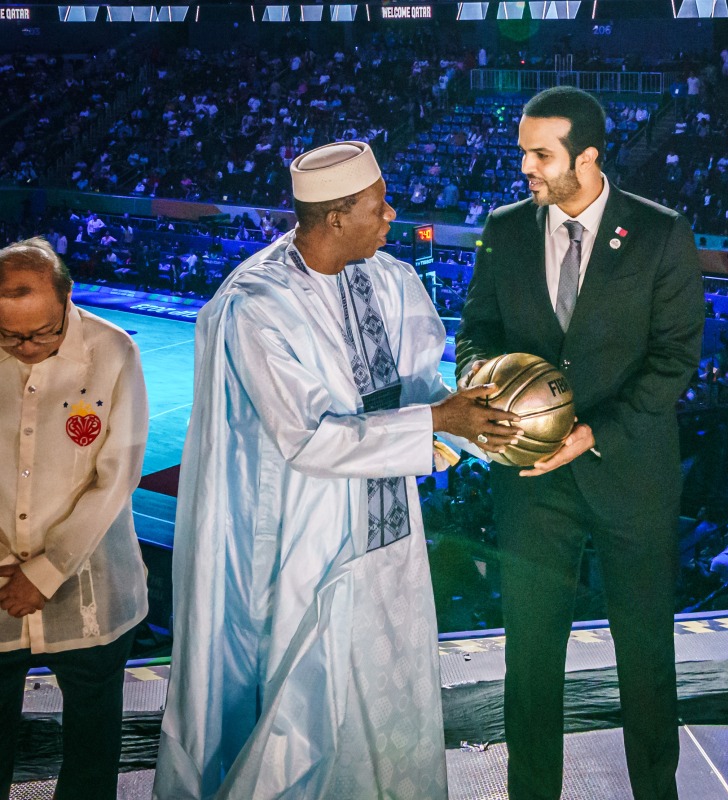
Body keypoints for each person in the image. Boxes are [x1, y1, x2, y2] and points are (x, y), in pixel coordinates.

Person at [154, 142, 518, 800]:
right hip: (307, 542)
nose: (392, 216)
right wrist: (437, 425)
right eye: (378, 207)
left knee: (393, 697)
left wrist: (488, 426)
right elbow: (308, 440)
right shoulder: (258, 305)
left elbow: (422, 391)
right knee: (304, 719)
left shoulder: (392, 281)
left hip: (391, 541)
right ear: (336, 217)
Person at [455, 86, 705, 800]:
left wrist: (595, 429)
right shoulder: (504, 229)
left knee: (645, 656)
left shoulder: (659, 232)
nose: (526, 167)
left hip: (629, 474)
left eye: (541, 154)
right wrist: (489, 381)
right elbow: (476, 332)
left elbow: (676, 357)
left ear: (588, 157)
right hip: (532, 483)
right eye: (523, 152)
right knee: (530, 661)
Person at [0, 237, 149, 799]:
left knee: (91, 746)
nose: (29, 347)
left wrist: (45, 570)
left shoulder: (112, 352)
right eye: (11, 336)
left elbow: (117, 474)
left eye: (42, 332)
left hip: (93, 583)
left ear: (68, 299)